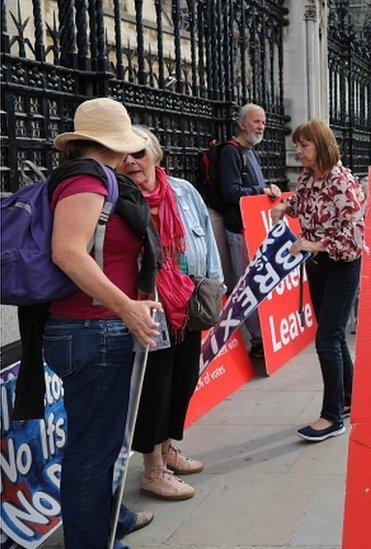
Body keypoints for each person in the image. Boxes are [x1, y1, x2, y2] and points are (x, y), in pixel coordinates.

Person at [43, 98, 160, 548]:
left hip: (93, 328)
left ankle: (107, 525)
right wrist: (126, 307)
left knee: (102, 445)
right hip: (92, 328)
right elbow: (67, 251)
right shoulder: (88, 181)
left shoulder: (94, 179)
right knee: (93, 451)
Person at [117, 126, 223, 501]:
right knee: (155, 388)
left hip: (186, 303)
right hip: (150, 308)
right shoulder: (119, 198)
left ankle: (167, 450)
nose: (131, 162)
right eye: (123, 155)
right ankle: (153, 468)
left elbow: (207, 243)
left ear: (155, 154)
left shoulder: (183, 191)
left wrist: (214, 289)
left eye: (139, 153)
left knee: (182, 381)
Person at [270, 120, 365, 441]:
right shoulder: (310, 176)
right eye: (297, 145)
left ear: (321, 146)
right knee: (333, 337)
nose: (298, 151)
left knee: (327, 339)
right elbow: (303, 201)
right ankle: (349, 399)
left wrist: (312, 244)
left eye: (304, 145)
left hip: (341, 265)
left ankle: (332, 416)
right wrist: (285, 205)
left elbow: (354, 239)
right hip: (317, 265)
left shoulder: (342, 182)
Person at [217, 103, 281, 359]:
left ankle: (265, 335)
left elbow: (255, 188)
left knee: (261, 282)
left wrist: (270, 190)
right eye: (256, 121)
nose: (261, 126)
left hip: (254, 229)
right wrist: (260, 192)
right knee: (250, 284)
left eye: (263, 122)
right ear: (242, 124)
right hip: (239, 230)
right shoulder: (232, 153)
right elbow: (231, 192)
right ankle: (257, 341)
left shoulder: (250, 152)